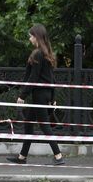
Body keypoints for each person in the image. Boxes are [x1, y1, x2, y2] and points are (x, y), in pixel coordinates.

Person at [7, 24, 65, 165]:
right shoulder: (47, 53)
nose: (30, 38)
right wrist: (53, 97)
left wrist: (22, 95)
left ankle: (58, 156)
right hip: (42, 94)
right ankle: (22, 157)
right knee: (28, 123)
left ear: (37, 37)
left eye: (31, 35)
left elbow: (33, 78)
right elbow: (52, 79)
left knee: (44, 125)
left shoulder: (38, 54)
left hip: (38, 95)